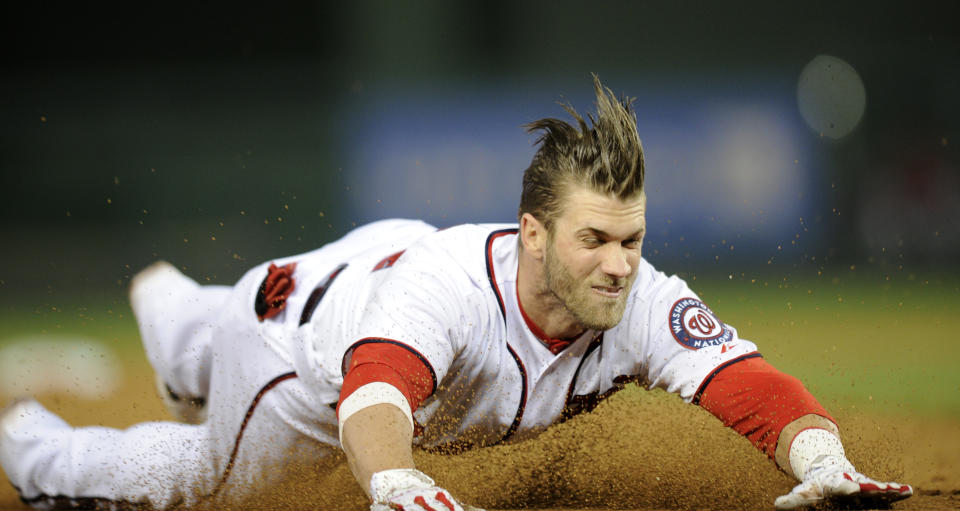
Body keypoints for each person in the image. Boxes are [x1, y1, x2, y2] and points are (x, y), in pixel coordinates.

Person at [0, 76, 912, 511]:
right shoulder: (450, 296)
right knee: (204, 476)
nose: (619, 264)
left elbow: (745, 381)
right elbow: (376, 391)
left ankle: (171, 305)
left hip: (369, 264)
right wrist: (395, 476)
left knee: (206, 325)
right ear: (534, 234)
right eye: (594, 239)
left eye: (632, 239)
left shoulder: (634, 295)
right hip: (299, 359)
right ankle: (27, 444)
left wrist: (821, 457)